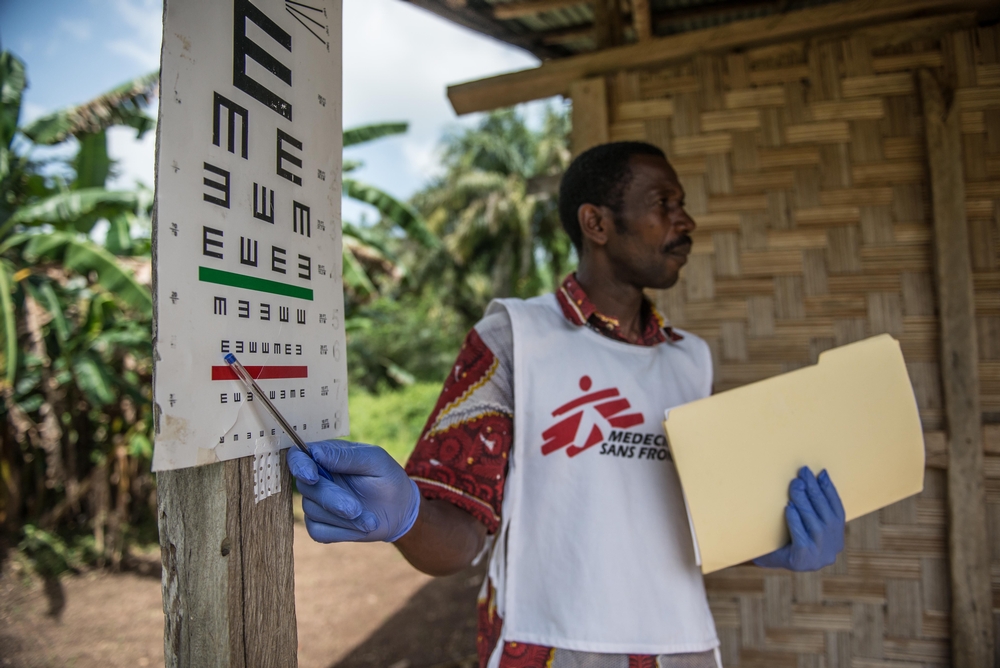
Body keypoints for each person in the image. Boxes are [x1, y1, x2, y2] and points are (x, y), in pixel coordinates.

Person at [288, 142, 846, 668]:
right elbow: (458, 539)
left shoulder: (690, 360)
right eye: (664, 204)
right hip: (547, 646)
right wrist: (406, 515)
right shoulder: (514, 339)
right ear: (596, 223)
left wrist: (778, 542)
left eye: (682, 205)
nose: (685, 221)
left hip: (681, 648)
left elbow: (698, 521)